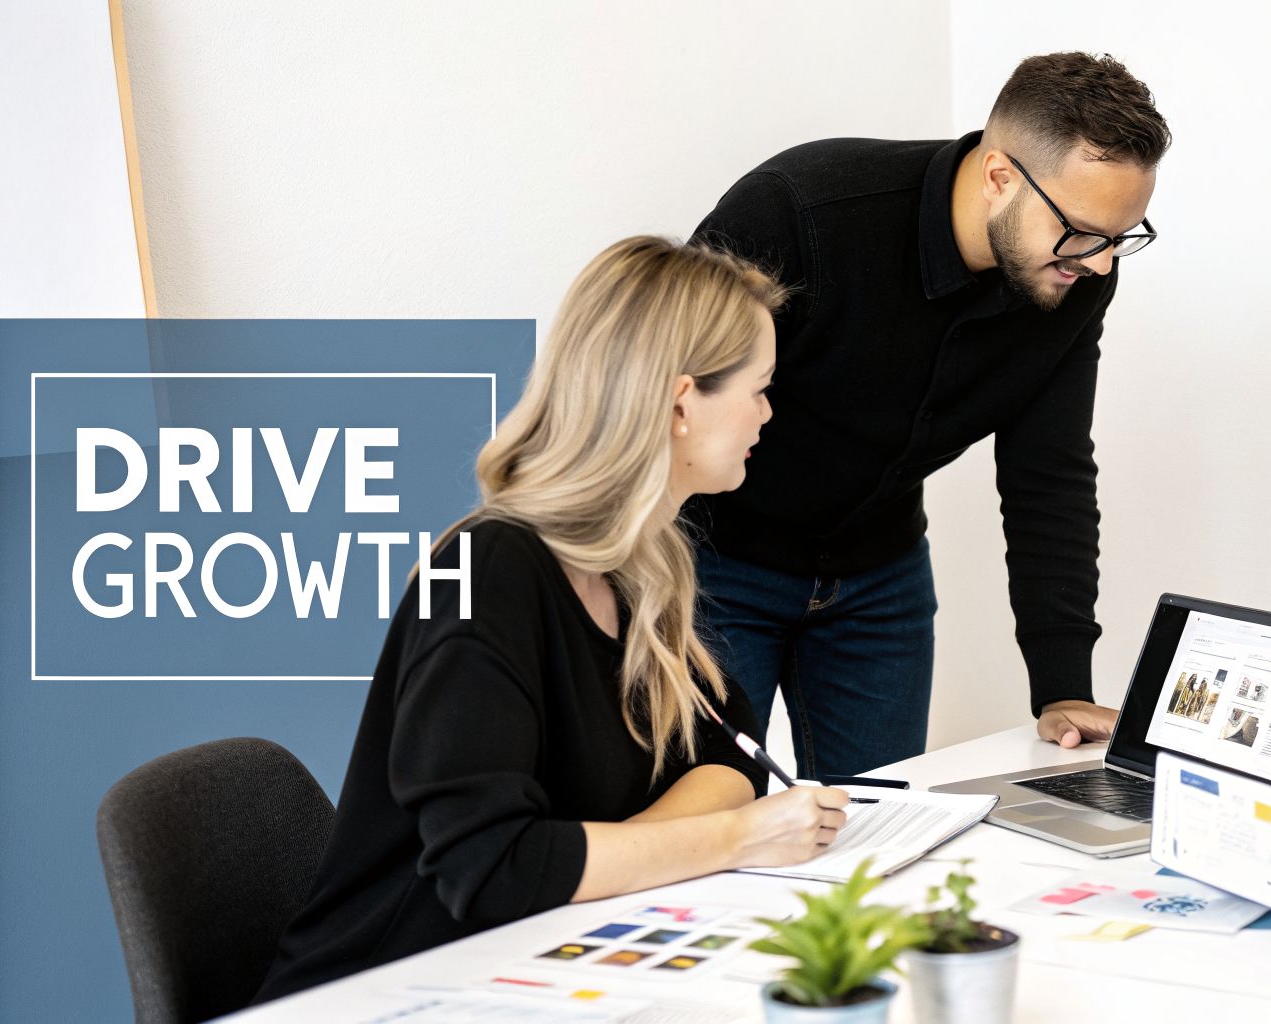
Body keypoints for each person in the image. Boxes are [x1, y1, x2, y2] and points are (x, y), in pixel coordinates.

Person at [254, 238, 850, 1002]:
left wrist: (617, 856)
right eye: (760, 387)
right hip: (387, 989)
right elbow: (493, 868)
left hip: (537, 957)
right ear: (679, 402)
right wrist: (731, 840)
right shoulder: (487, 573)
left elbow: (728, 752)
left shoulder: (634, 565)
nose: (769, 411)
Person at [688, 52, 1171, 776]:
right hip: (718, 569)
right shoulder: (799, 213)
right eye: (1081, 232)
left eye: (1120, 237)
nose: (1101, 264)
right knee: (703, 818)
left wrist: (1063, 682)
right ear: (999, 175)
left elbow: (1050, 471)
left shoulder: (1073, 275)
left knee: (880, 836)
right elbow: (667, 402)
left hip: (880, 578)